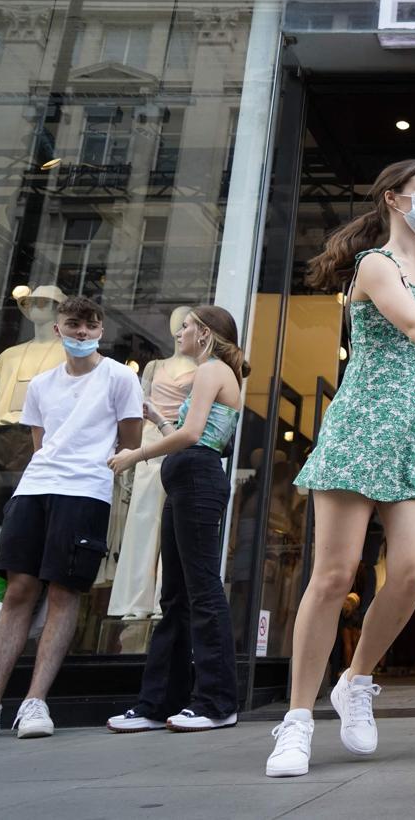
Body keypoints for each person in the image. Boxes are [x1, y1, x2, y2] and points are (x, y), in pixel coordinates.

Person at [264, 158, 415, 778]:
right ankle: (296, 720)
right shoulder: (376, 265)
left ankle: (356, 680)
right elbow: (409, 324)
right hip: (360, 427)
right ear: (395, 201)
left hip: (412, 439)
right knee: (333, 575)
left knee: (408, 574)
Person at [0, 296, 142, 740]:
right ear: (59, 329)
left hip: (86, 490)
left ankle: (35, 703)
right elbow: (41, 443)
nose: (83, 332)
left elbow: (131, 440)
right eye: (75, 324)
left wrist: (108, 471)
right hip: (35, 488)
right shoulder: (41, 384)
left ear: (101, 330)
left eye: (91, 325)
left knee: (64, 591)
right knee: (18, 588)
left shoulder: (120, 377)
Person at [105, 306, 247, 732]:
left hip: (197, 481)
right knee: (178, 597)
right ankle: (159, 703)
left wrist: (136, 454)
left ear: (204, 333)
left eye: (186, 326)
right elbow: (189, 437)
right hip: (189, 479)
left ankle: (217, 702)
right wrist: (159, 419)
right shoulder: (213, 373)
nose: (179, 333)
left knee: (200, 591)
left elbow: (193, 438)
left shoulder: (212, 371)